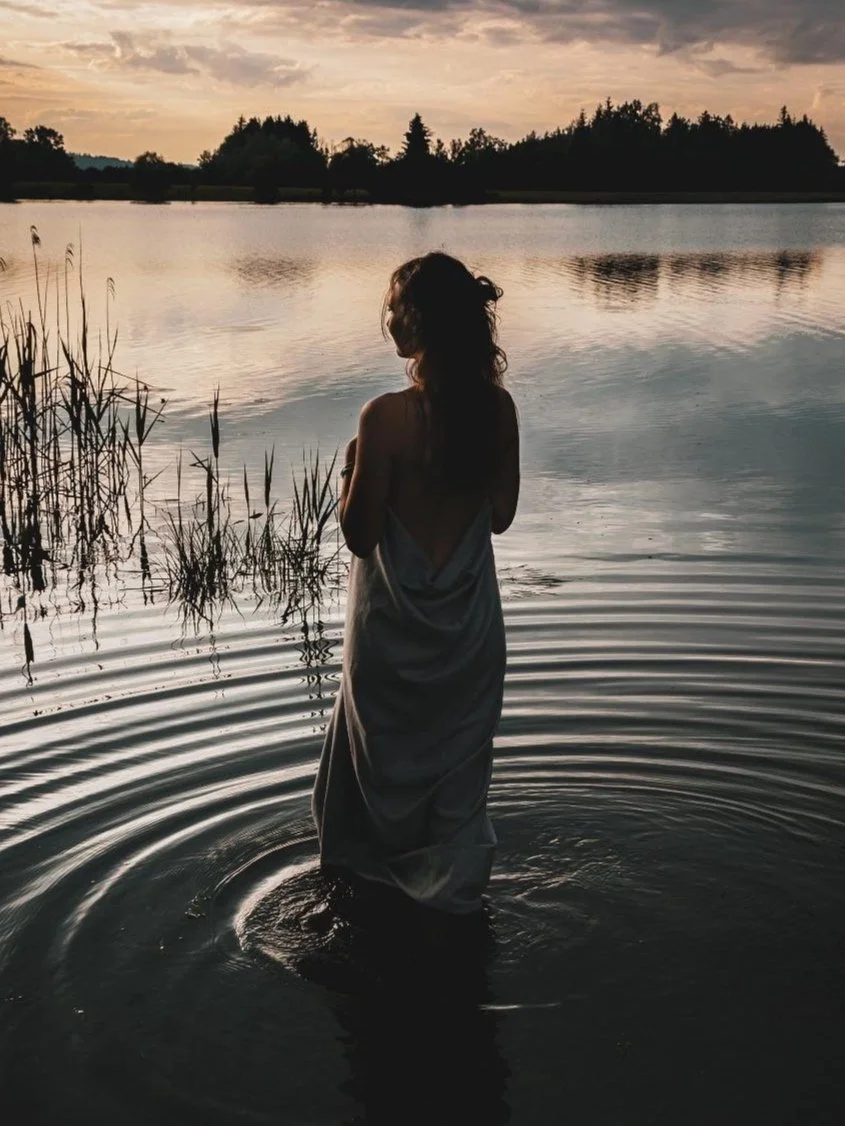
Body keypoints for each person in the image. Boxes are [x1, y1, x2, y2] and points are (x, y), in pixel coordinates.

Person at [311, 251, 520, 914]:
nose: (389, 317)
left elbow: (359, 536)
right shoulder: (497, 409)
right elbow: (502, 517)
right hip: (468, 635)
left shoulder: (383, 418)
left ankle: (376, 911)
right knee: (455, 779)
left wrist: (350, 471)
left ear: (421, 322)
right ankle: (451, 908)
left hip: (390, 636)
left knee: (382, 773)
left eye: (397, 306)